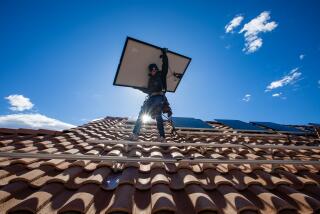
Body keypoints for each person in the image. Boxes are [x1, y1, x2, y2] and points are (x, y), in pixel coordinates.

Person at [129, 48, 171, 142]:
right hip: (151, 97)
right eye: (152, 70)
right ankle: (135, 134)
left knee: (158, 115)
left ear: (156, 69)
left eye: (155, 69)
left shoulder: (161, 75)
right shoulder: (150, 80)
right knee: (142, 113)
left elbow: (165, 66)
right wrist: (135, 87)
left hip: (159, 97)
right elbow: (147, 90)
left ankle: (162, 137)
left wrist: (164, 55)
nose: (153, 70)